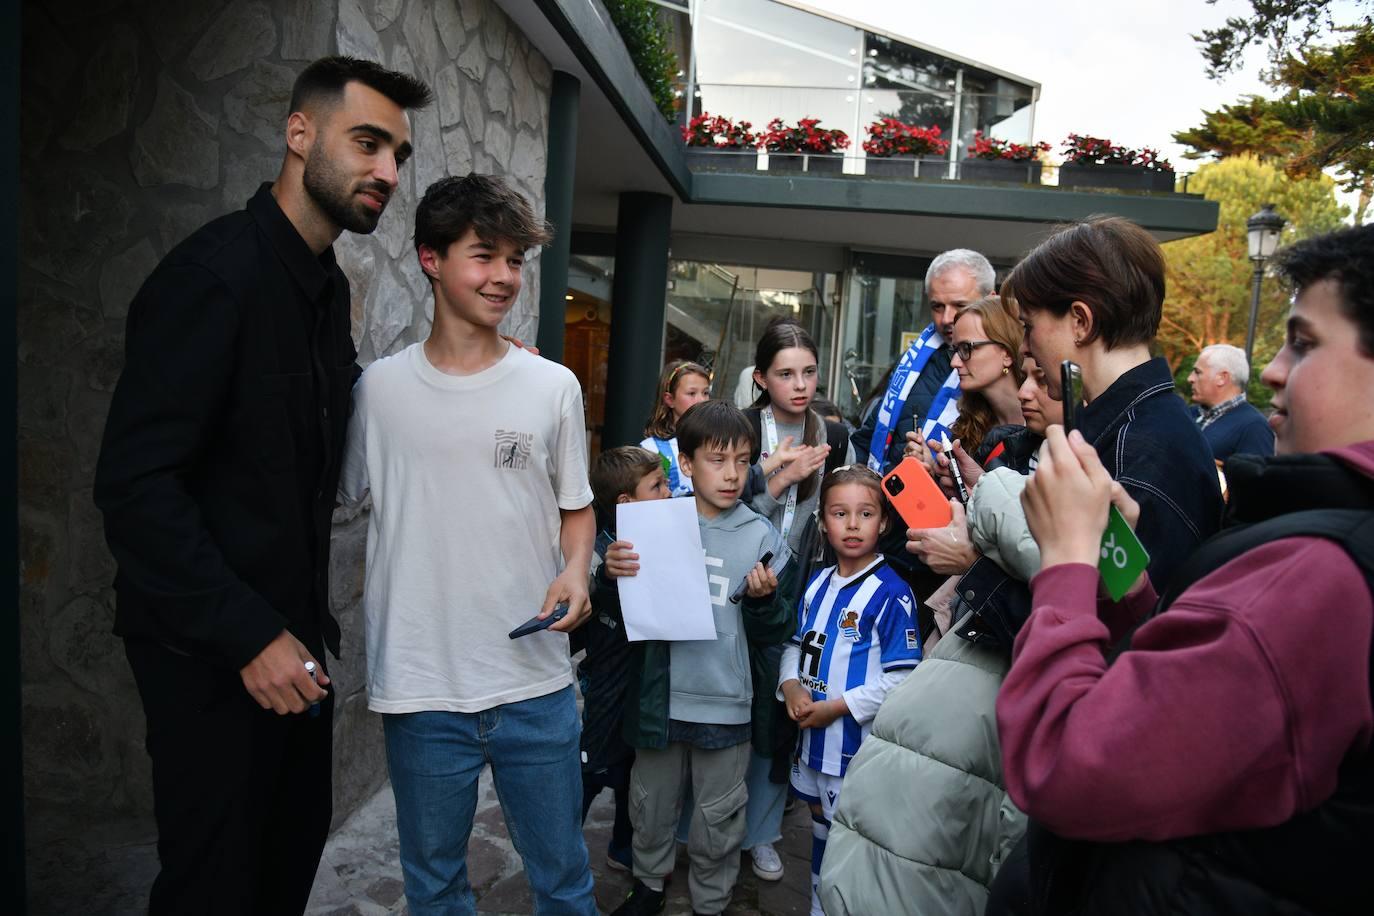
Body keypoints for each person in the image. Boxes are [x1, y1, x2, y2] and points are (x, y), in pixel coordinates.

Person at [92, 57, 431, 914]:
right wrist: (249, 635)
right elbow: (136, 487)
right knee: (215, 886)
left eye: (398, 152)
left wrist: (474, 375)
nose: (387, 172)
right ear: (298, 133)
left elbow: (344, 425)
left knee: (282, 867)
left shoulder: (322, 288)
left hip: (292, 645)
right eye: (367, 143)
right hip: (212, 651)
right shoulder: (212, 278)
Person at [997, 223, 1374, 914]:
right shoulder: (1327, 545)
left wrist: (1069, 565)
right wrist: (1129, 589)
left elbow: (1066, 763)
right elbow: (1200, 701)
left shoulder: (1320, 574)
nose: (1272, 370)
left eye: (1307, 342)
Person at [337, 174, 597, 914]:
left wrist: (577, 570)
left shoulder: (553, 387)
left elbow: (576, 512)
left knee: (565, 885)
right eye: (485, 256)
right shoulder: (377, 393)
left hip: (536, 685)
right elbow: (331, 498)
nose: (505, 278)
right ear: (429, 258)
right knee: (437, 890)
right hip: (420, 689)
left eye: (516, 261)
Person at [820, 354, 1062, 916]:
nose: (956, 355)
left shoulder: (1073, 470)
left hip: (982, 716)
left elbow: (1084, 596)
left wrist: (973, 556)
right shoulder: (1004, 444)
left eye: (1041, 377)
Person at [613, 400, 798, 916]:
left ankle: (711, 900)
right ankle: (647, 886)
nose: (732, 474)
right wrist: (611, 573)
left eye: (743, 460)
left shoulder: (761, 536)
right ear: (687, 464)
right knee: (650, 805)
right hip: (662, 700)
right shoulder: (653, 524)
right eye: (717, 460)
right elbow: (620, 608)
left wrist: (765, 603)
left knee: (718, 818)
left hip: (727, 703)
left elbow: (778, 630)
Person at [778, 465, 922, 916]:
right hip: (813, 743)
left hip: (855, 752)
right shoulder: (818, 583)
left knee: (851, 841)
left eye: (866, 513)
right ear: (823, 521)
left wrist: (837, 708)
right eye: (841, 513)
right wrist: (791, 686)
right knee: (820, 830)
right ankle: (819, 905)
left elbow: (902, 678)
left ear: (885, 523)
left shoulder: (892, 593)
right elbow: (797, 645)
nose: (853, 524)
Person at [575, 447, 672, 873]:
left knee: (634, 772)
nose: (669, 493)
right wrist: (605, 578)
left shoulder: (668, 538)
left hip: (645, 683)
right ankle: (560, 845)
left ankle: (622, 845)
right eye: (658, 486)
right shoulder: (599, 551)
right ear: (626, 504)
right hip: (607, 682)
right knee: (592, 768)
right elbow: (586, 610)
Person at [851, 248, 996, 474]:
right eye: (937, 306)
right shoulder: (913, 361)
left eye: (960, 305)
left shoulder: (1013, 370)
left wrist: (938, 471)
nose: (947, 318)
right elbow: (868, 437)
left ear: (991, 300)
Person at [1188, 343, 1275, 460]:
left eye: (1198, 372)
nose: (1190, 379)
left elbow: (1255, 477)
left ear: (1222, 378)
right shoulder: (1189, 414)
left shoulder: (1254, 427)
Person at [641, 360, 712, 496]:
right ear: (669, 399)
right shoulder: (651, 449)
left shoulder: (718, 440)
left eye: (705, 393)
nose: (702, 400)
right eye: (692, 393)